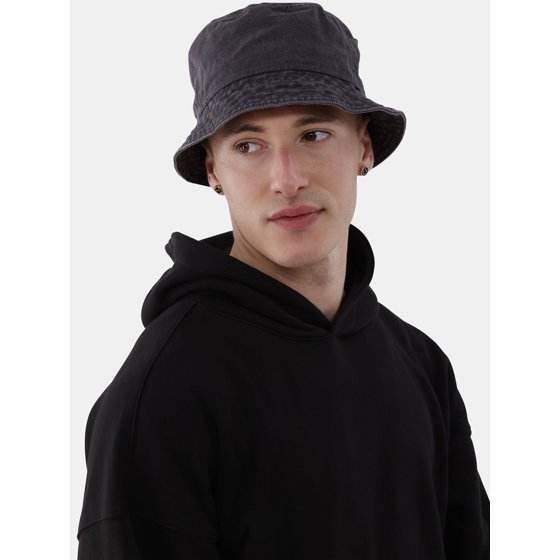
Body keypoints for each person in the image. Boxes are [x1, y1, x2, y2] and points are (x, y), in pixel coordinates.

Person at [76, 3, 490, 559]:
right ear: (213, 169)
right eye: (248, 146)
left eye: (313, 134)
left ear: (364, 147)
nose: (286, 179)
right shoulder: (163, 391)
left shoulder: (421, 364)